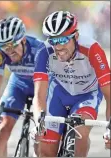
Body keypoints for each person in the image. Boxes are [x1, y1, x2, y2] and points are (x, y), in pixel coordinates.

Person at [32, 11, 111, 157]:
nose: (58, 47)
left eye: (62, 40)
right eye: (53, 41)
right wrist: (38, 122)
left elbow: (109, 94)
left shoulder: (92, 49)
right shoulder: (43, 51)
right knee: (45, 150)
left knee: (80, 132)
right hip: (59, 94)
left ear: (76, 36)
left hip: (87, 95)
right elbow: (39, 94)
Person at [0, 16, 43, 157]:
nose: (9, 51)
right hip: (18, 85)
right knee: (3, 128)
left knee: (41, 134)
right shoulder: (0, 52)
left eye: (13, 45)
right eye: (5, 47)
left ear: (23, 40)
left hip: (42, 86)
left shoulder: (40, 49)